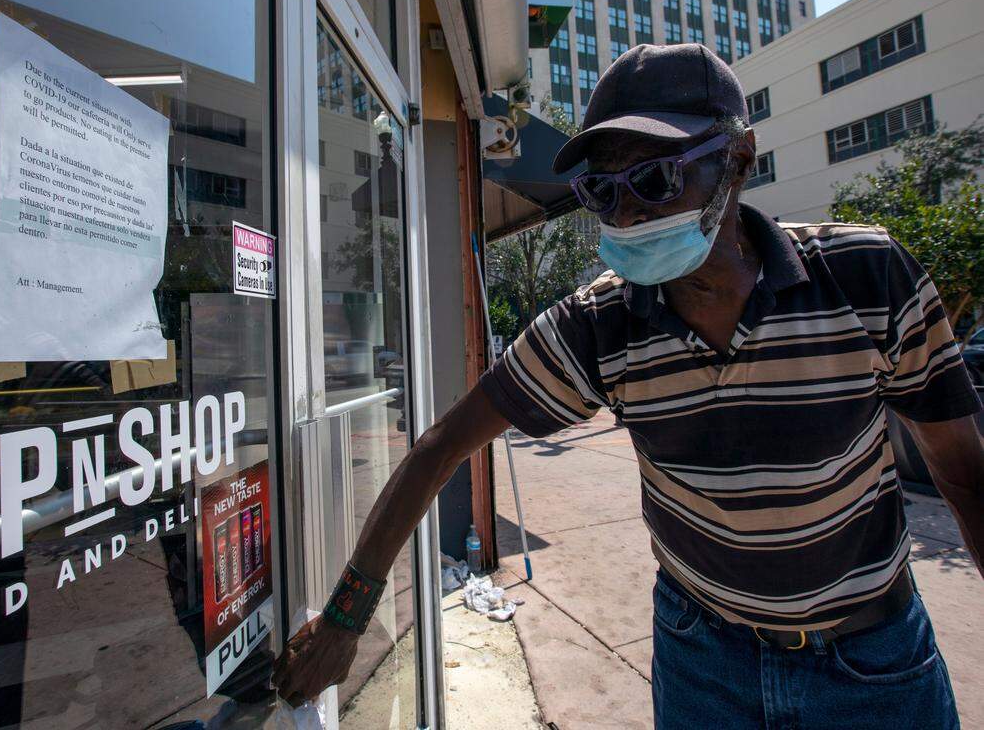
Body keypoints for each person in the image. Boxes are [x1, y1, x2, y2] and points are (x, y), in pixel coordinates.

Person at [273, 43, 983, 728]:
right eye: (602, 193)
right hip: (704, 662)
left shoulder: (865, 277)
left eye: (654, 179)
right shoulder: (599, 326)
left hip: (873, 663)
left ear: (739, 158)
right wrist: (346, 620)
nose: (629, 214)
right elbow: (438, 447)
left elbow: (960, 470)